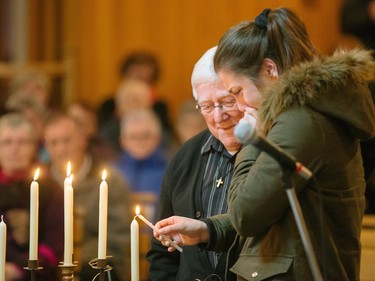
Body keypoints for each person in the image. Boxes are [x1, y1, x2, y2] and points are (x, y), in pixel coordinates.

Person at [153, 8, 375, 281]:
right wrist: (208, 229)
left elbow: (246, 215)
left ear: (270, 69)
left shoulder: (300, 122)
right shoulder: (303, 115)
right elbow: (278, 212)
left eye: (236, 93)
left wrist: (252, 140)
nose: (241, 105)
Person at [146, 46, 243, 281]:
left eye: (227, 102)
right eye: (207, 106)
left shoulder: (268, 153)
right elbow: (162, 251)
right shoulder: (185, 156)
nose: (218, 116)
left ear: (244, 96)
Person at [43, 112, 132, 281]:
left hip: (95, 264)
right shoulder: (40, 183)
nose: (61, 149)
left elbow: (117, 237)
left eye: (67, 140)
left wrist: (75, 258)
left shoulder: (108, 181)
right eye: (54, 143)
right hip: (50, 263)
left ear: (83, 140)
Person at [0, 113, 63, 281]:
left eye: (22, 142)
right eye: (7, 142)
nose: (15, 148)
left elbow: (54, 242)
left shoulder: (49, 189)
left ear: (34, 147)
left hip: (35, 272)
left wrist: (18, 269)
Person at [114, 108, 168, 197]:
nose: (140, 142)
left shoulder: (171, 170)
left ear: (157, 138)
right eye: (133, 137)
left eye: (146, 136)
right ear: (122, 140)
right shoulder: (114, 171)